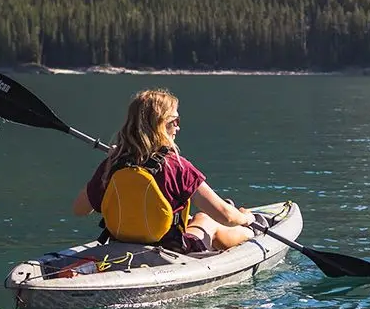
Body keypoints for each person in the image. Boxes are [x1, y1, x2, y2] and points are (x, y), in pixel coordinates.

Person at [72, 88, 258, 253]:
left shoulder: (113, 164)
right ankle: (251, 233)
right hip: (170, 249)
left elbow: (80, 209)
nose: (178, 126)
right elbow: (225, 215)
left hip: (119, 244)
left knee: (198, 218)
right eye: (174, 120)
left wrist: (113, 159)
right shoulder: (177, 166)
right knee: (207, 220)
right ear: (159, 125)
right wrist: (246, 218)